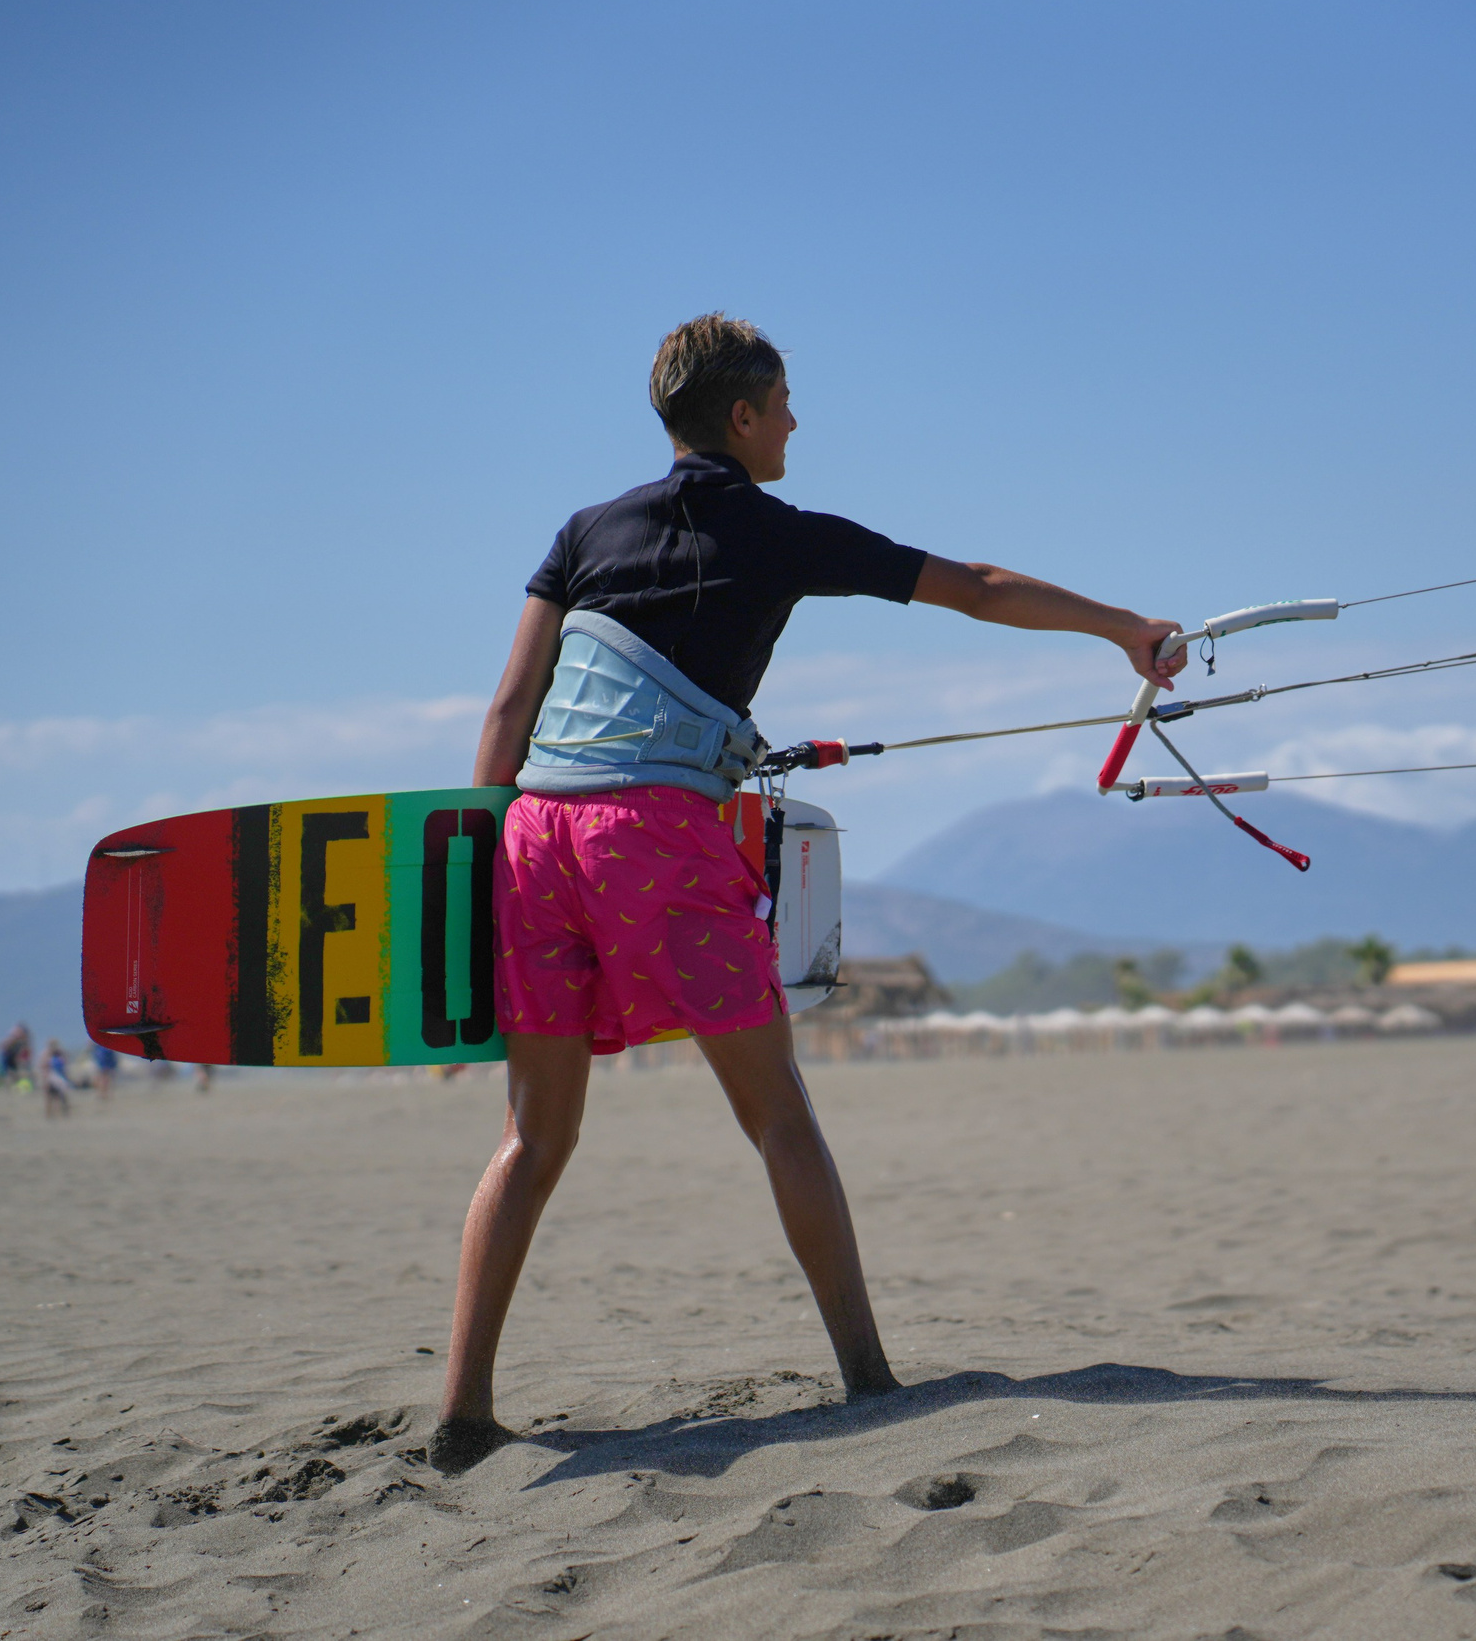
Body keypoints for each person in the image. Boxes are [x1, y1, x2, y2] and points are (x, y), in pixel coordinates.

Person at [429, 314, 1188, 1474]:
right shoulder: (779, 535)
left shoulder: (584, 531)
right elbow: (978, 589)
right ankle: (867, 1378)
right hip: (656, 839)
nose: (795, 422)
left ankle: (463, 1415)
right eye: (782, 404)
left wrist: (474, 889)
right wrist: (1124, 628)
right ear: (740, 417)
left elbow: (507, 710)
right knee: (778, 1113)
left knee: (532, 1136)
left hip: (532, 838)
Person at [42, 1039, 73, 1119]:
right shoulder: (47, 1055)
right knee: (50, 1097)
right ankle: (49, 1114)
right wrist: (45, 1080)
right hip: (51, 1078)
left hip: (60, 1078)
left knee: (61, 1096)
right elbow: (44, 1068)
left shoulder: (60, 1054)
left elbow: (65, 1066)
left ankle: (62, 1112)